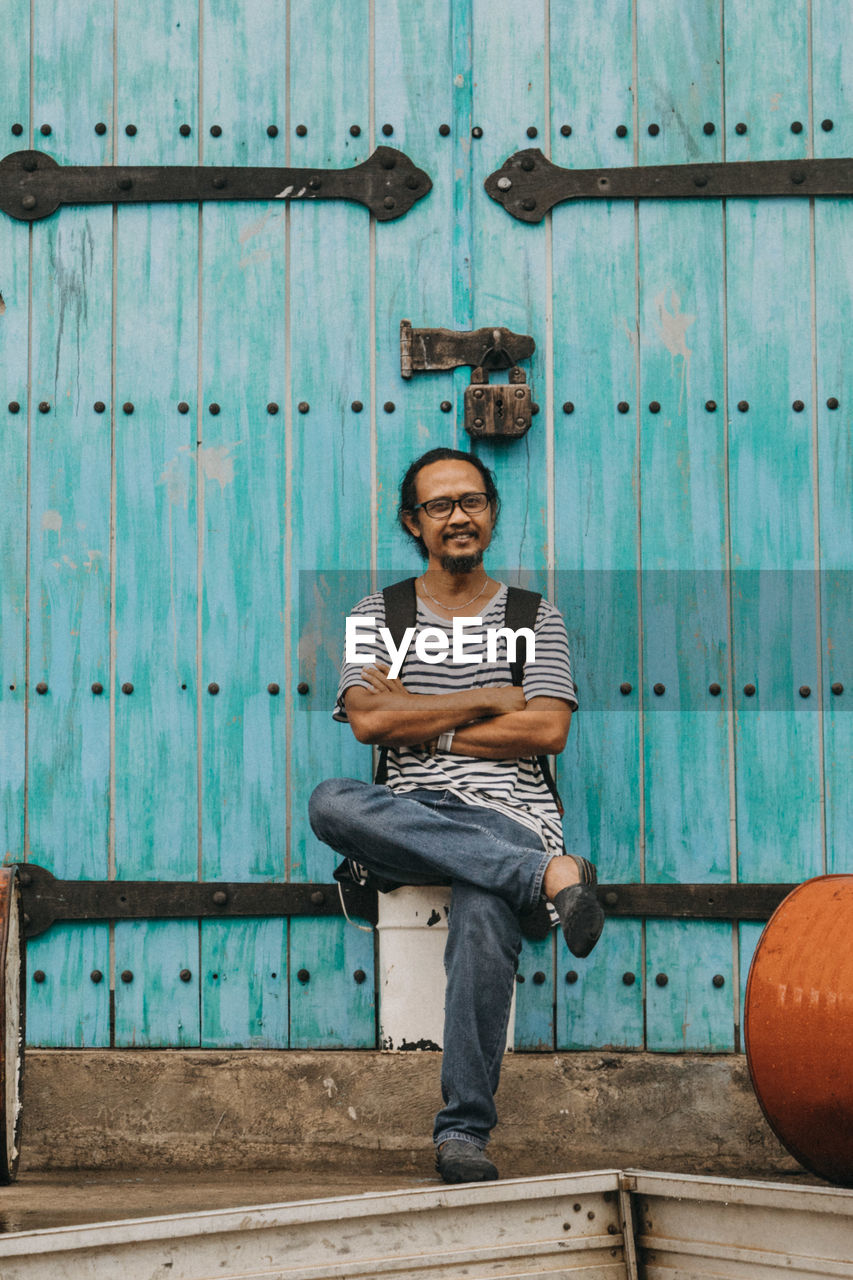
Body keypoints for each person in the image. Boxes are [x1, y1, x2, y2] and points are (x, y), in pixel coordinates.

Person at [309, 447, 604, 1184]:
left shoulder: (535, 618)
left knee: (483, 906)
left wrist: (420, 715)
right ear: (414, 522)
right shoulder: (377, 615)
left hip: (507, 815)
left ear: (491, 511)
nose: (457, 517)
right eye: (439, 506)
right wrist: (485, 697)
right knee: (330, 801)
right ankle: (545, 877)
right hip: (406, 815)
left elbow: (545, 730)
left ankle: (463, 1133)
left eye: (470, 501)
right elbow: (369, 723)